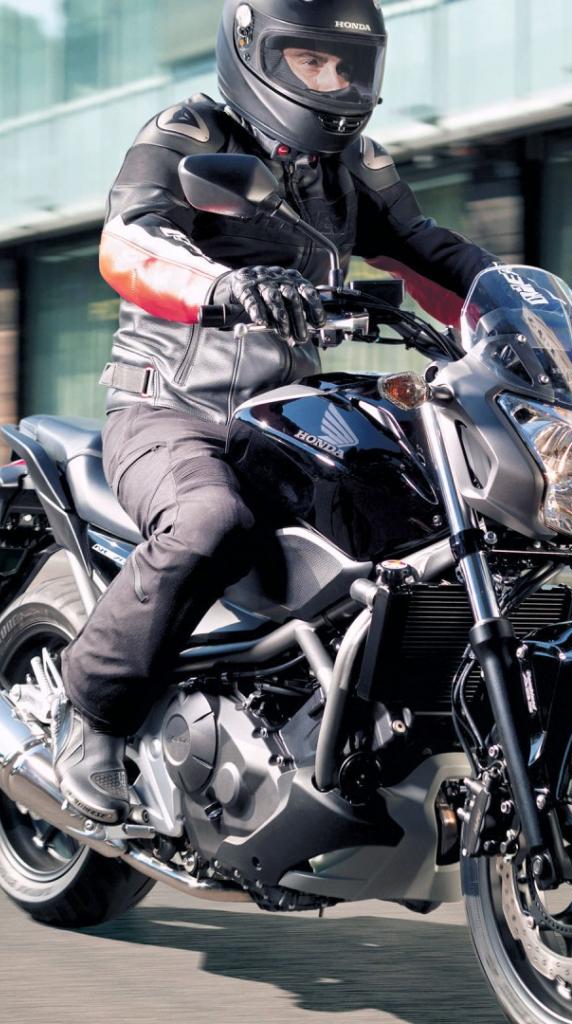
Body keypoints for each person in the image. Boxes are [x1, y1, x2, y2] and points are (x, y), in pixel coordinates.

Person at [52, 0, 497, 824]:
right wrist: (223, 284)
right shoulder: (191, 132)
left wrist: (526, 308)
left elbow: (431, 253)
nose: (332, 82)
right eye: (310, 61)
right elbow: (130, 240)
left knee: (420, 525)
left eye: (346, 66)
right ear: (252, 50)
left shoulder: (348, 166)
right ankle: (92, 714)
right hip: (169, 411)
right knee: (209, 522)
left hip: (280, 420)